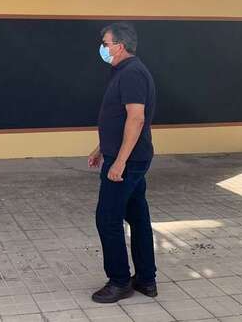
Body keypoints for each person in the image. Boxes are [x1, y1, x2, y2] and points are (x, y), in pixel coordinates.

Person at [88, 22, 158, 303]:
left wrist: (119, 162)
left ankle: (119, 282)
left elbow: (136, 118)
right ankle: (146, 280)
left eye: (105, 44)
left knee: (107, 218)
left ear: (119, 46)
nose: (102, 48)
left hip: (127, 162)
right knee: (137, 217)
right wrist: (101, 148)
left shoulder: (132, 74)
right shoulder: (125, 72)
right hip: (128, 157)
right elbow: (118, 118)